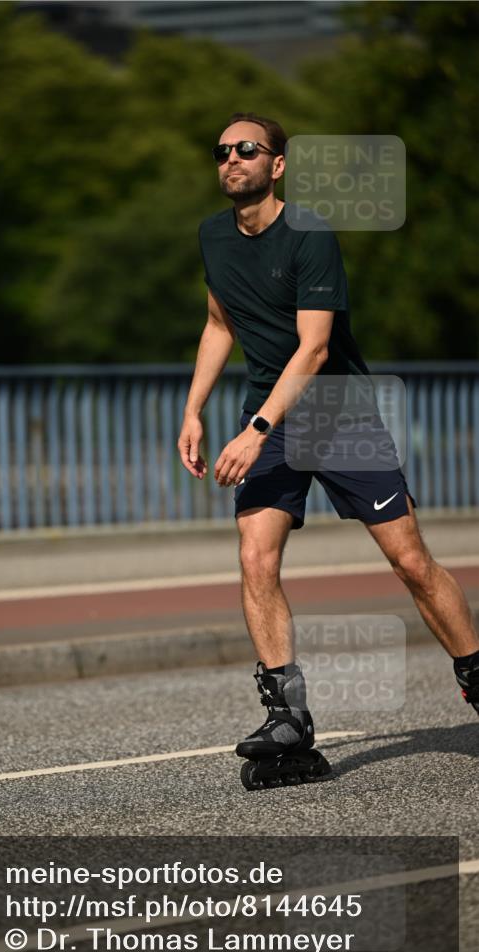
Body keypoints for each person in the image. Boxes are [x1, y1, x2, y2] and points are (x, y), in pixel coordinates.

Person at [177, 113, 478, 786]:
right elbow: (218, 321)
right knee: (255, 558)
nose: (231, 159)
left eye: (245, 149)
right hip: (271, 417)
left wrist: (252, 431)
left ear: (275, 164)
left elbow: (313, 348)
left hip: (337, 414)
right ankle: (287, 719)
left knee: (407, 562)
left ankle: (475, 676)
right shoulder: (212, 237)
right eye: (221, 151)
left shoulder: (309, 235)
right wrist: (193, 410)